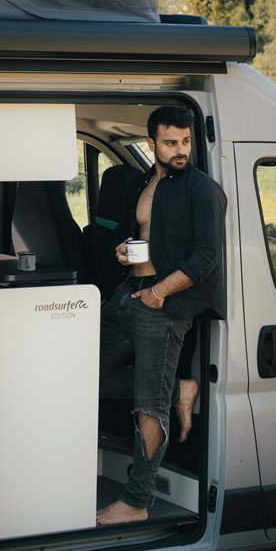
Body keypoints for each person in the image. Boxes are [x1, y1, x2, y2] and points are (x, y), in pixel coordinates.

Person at [95, 106, 228, 526]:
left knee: (147, 409)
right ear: (151, 143)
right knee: (81, 374)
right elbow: (135, 234)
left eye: (186, 142)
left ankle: (137, 500)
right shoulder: (142, 181)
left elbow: (206, 257)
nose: (180, 150)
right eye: (171, 143)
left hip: (162, 307)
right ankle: (177, 389)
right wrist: (121, 249)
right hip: (126, 295)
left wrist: (157, 292)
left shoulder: (201, 189)